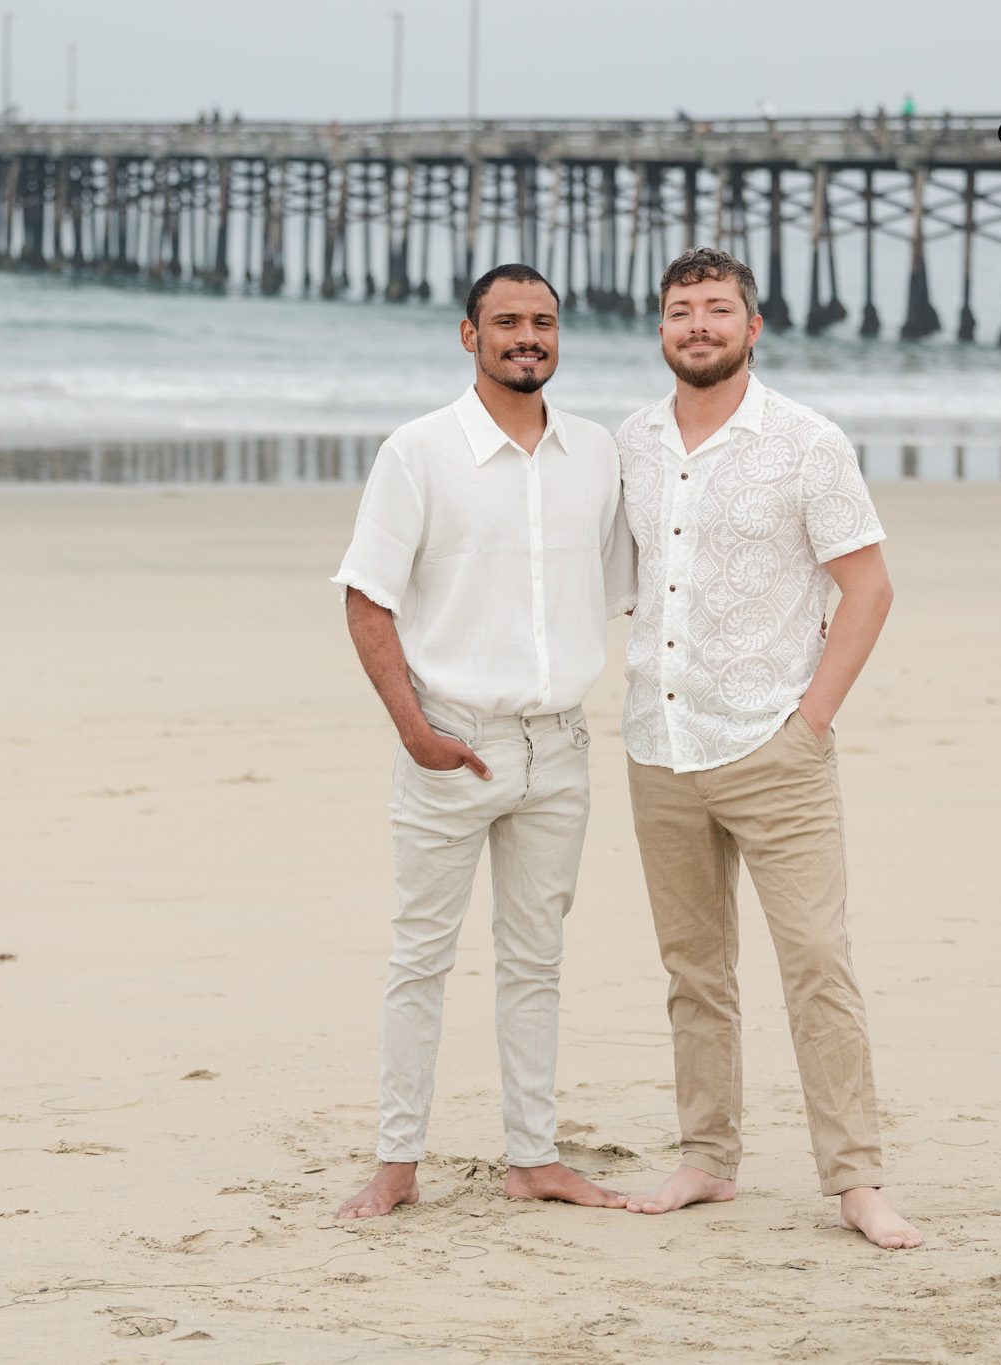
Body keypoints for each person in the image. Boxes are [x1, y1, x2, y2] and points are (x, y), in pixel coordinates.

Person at [612, 246, 922, 1250]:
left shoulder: (806, 443)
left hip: (772, 747)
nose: (696, 325)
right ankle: (707, 1157)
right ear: (660, 329)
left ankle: (856, 1180)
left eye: (716, 308)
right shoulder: (630, 443)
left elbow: (867, 588)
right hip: (659, 744)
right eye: (679, 310)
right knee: (693, 969)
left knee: (817, 963)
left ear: (752, 327)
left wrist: (810, 721)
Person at [330, 264, 637, 1220]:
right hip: (451, 741)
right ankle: (397, 1162)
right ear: (470, 336)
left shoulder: (596, 454)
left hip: (560, 747)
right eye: (506, 321)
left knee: (536, 960)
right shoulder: (418, 452)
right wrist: (415, 731)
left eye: (543, 321)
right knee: (421, 958)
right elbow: (366, 600)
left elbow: (627, 586)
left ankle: (533, 1156)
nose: (527, 337)